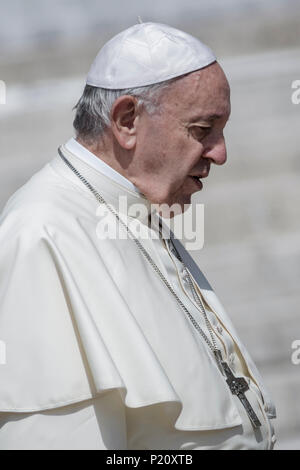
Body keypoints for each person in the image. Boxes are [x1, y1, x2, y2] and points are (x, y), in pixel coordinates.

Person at [0, 22, 276, 450]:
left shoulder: (136, 207)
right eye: (202, 130)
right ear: (127, 120)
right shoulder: (41, 233)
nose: (221, 153)